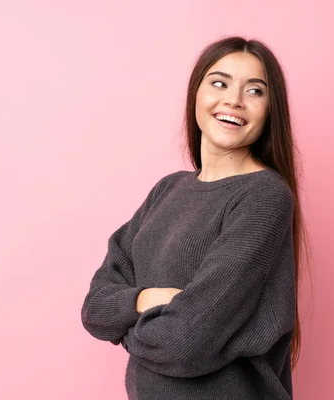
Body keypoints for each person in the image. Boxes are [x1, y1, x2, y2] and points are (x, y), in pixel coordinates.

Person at [81, 36, 308, 400]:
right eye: (219, 83)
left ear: (270, 110)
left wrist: (123, 322)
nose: (233, 99)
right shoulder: (167, 191)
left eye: (254, 91)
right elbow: (94, 308)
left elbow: (185, 342)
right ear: (196, 94)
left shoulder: (264, 198)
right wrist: (146, 300)